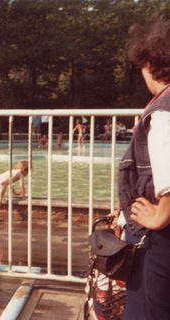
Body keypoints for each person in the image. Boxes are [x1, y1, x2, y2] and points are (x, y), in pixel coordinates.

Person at [108, 15, 170, 319]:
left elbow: (167, 170)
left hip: (157, 241)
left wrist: (161, 214)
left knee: (146, 310)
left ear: (149, 64)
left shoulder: (162, 111)